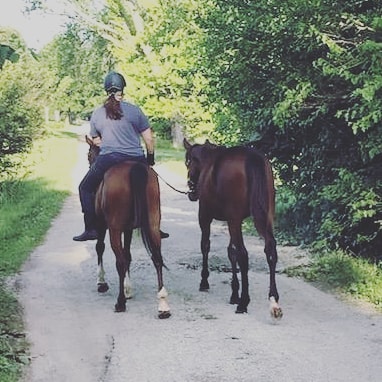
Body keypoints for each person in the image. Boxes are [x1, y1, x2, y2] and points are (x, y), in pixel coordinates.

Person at [73, 71, 169, 241]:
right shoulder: (135, 110)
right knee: (152, 185)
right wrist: (150, 158)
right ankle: (155, 226)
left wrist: (110, 143)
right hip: (137, 158)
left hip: (109, 158)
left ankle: (91, 228)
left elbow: (96, 141)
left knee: (85, 188)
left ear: (105, 89)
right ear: (123, 89)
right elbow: (148, 138)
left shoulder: (97, 113)